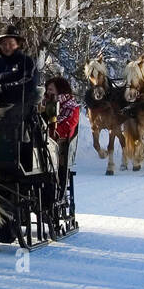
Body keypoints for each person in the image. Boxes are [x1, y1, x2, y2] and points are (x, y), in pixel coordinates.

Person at [0, 24, 37, 110]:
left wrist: (2, 88)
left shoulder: (26, 62)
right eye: (4, 44)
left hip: (19, 107)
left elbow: (28, 83)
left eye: (11, 44)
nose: (7, 47)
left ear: (18, 44)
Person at [42, 76, 80, 206]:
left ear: (60, 90)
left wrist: (52, 133)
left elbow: (68, 127)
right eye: (47, 89)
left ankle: (57, 190)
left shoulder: (72, 107)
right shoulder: (43, 105)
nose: (48, 92)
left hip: (60, 143)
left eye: (51, 89)